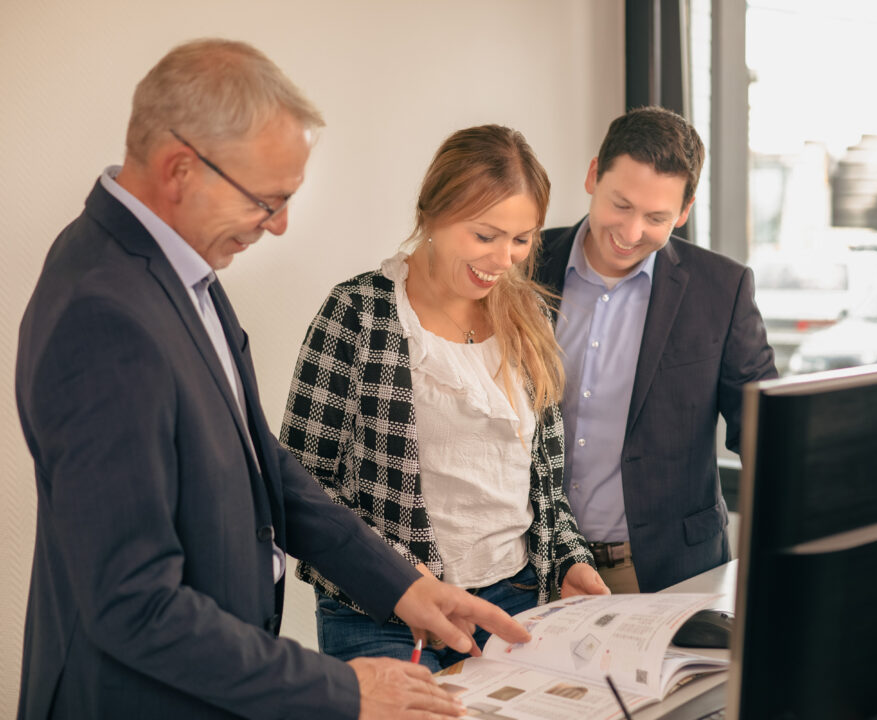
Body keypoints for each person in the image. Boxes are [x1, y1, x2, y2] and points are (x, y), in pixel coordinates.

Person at [14, 39, 530, 720]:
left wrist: (404, 586)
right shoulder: (105, 314)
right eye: (267, 201)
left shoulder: (176, 263)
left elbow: (265, 465)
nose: (281, 226)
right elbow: (133, 604)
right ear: (179, 170)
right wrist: (344, 689)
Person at [280, 124, 609, 672]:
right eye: (485, 236)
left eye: (522, 239)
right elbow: (300, 488)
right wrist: (401, 580)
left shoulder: (528, 318)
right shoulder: (358, 313)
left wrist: (570, 558)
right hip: (380, 614)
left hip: (516, 599)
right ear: (431, 215)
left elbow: (544, 486)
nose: (504, 258)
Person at [536, 106, 777, 594]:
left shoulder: (722, 289)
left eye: (656, 217)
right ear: (592, 176)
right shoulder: (526, 264)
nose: (629, 233)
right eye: (620, 205)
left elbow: (763, 428)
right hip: (534, 565)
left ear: (684, 212)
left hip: (666, 570)